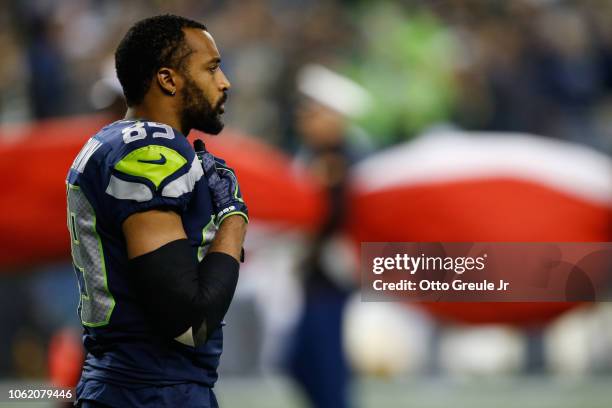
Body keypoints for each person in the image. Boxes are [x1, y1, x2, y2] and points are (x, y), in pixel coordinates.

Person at [65, 15, 248, 407]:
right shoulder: (153, 150)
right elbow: (188, 323)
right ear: (168, 79)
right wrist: (233, 217)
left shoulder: (107, 140)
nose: (224, 81)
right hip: (153, 391)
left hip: (122, 383)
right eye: (212, 67)